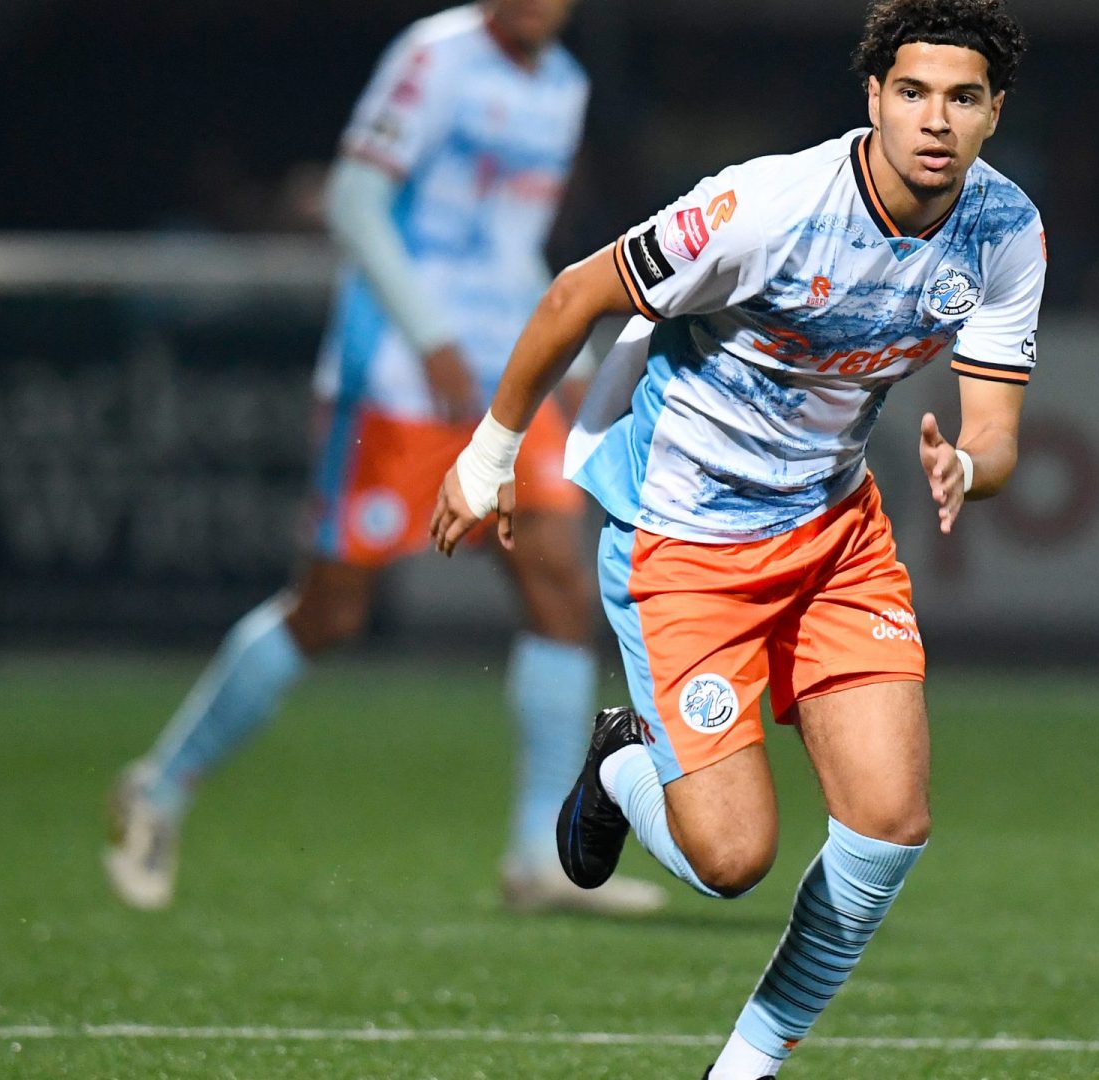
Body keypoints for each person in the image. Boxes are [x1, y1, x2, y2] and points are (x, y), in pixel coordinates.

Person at [431, 0, 1042, 1074]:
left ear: (995, 112)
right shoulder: (767, 207)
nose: (934, 121)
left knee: (888, 825)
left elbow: (994, 437)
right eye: (911, 93)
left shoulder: (1006, 232)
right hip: (685, 544)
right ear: (873, 98)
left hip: (833, 538)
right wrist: (487, 455)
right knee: (731, 859)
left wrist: (967, 469)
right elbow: (578, 292)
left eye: (961, 98)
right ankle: (623, 763)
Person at [105, 0, 665, 918]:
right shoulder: (433, 54)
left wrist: (576, 363)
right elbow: (356, 202)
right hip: (398, 374)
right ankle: (159, 787)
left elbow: (512, 245)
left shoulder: (563, 86)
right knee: (330, 609)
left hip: (499, 378)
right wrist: (430, 333)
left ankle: (538, 855)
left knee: (562, 587)